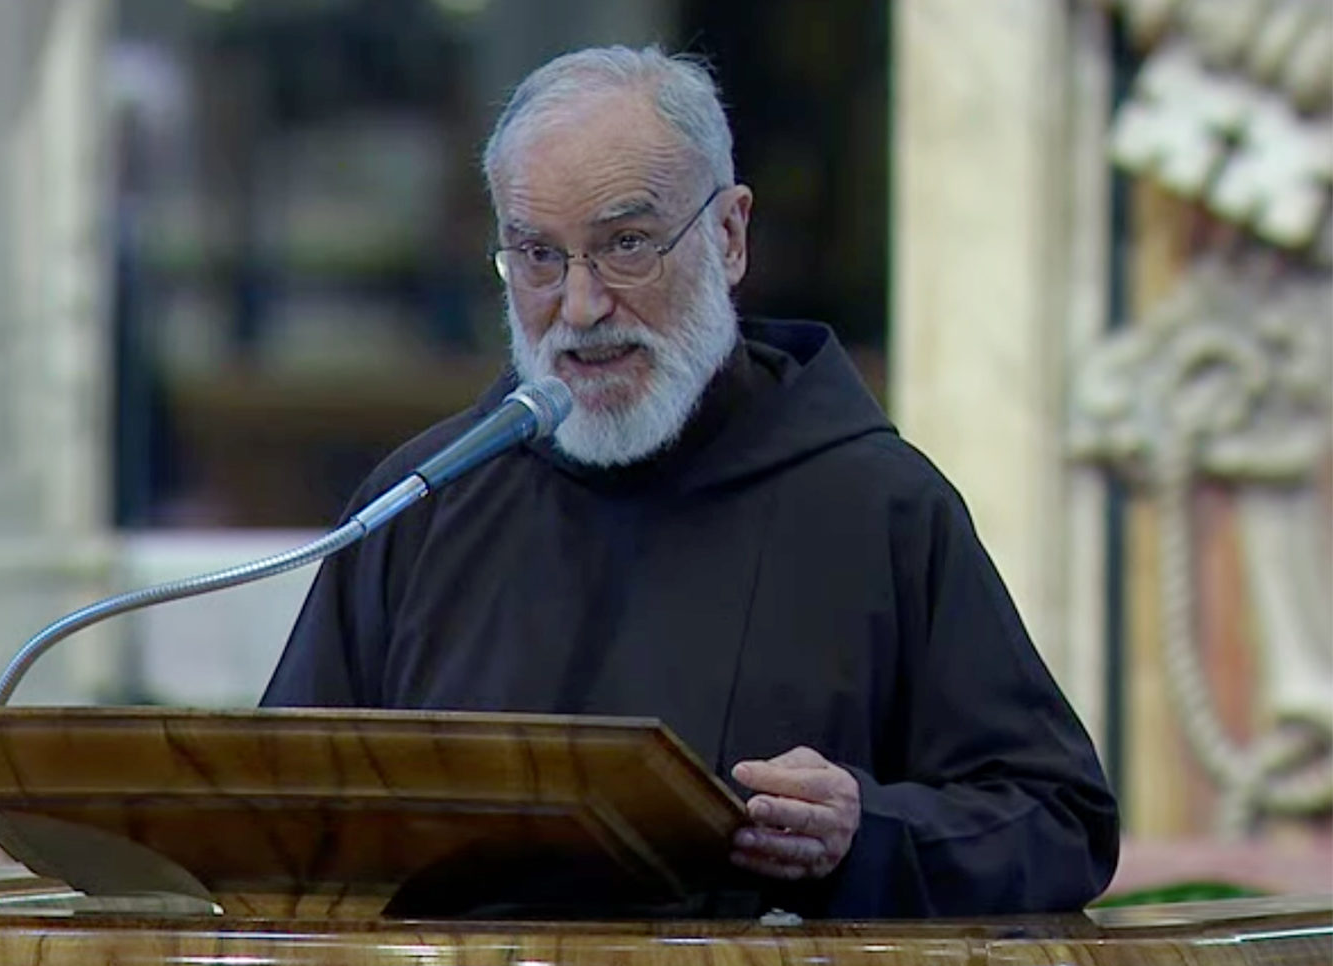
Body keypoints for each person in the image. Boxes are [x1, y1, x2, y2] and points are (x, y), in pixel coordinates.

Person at [260, 45, 1119, 919]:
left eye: (625, 245)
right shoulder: (422, 505)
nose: (581, 306)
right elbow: (271, 829)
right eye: (538, 258)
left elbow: (1059, 823)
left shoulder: (876, 506)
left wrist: (871, 829)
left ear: (731, 235)